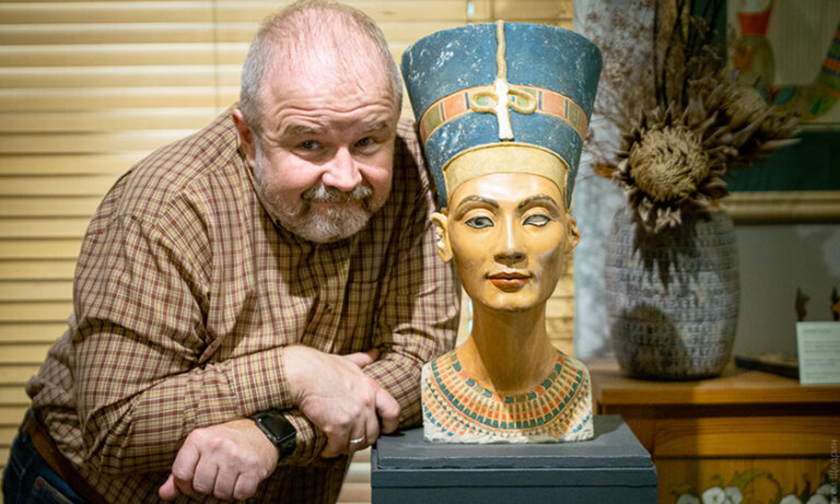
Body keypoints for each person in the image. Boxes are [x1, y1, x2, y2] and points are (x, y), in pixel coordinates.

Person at [2, 1, 460, 502]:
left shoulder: (420, 177)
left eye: (369, 140)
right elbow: (117, 425)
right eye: (310, 145)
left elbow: (424, 366)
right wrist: (292, 371)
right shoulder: (164, 208)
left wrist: (274, 434)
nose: (346, 177)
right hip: (87, 492)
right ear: (248, 137)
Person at [401, 21, 601, 443]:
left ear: (571, 233)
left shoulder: (581, 386)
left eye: (537, 218)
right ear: (442, 237)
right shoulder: (429, 385)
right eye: (479, 220)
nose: (510, 247)